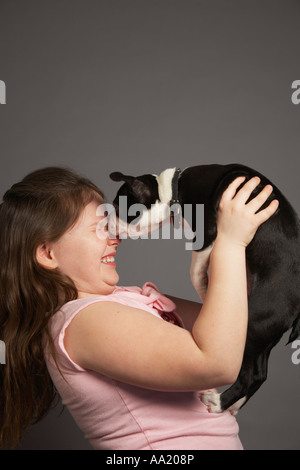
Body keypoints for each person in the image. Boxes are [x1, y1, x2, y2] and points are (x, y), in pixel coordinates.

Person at [0, 166, 279, 450]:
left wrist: (218, 232)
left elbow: (240, 334)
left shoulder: (129, 299)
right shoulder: (84, 319)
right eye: (99, 228)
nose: (116, 236)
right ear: (47, 253)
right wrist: (230, 243)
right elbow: (217, 363)